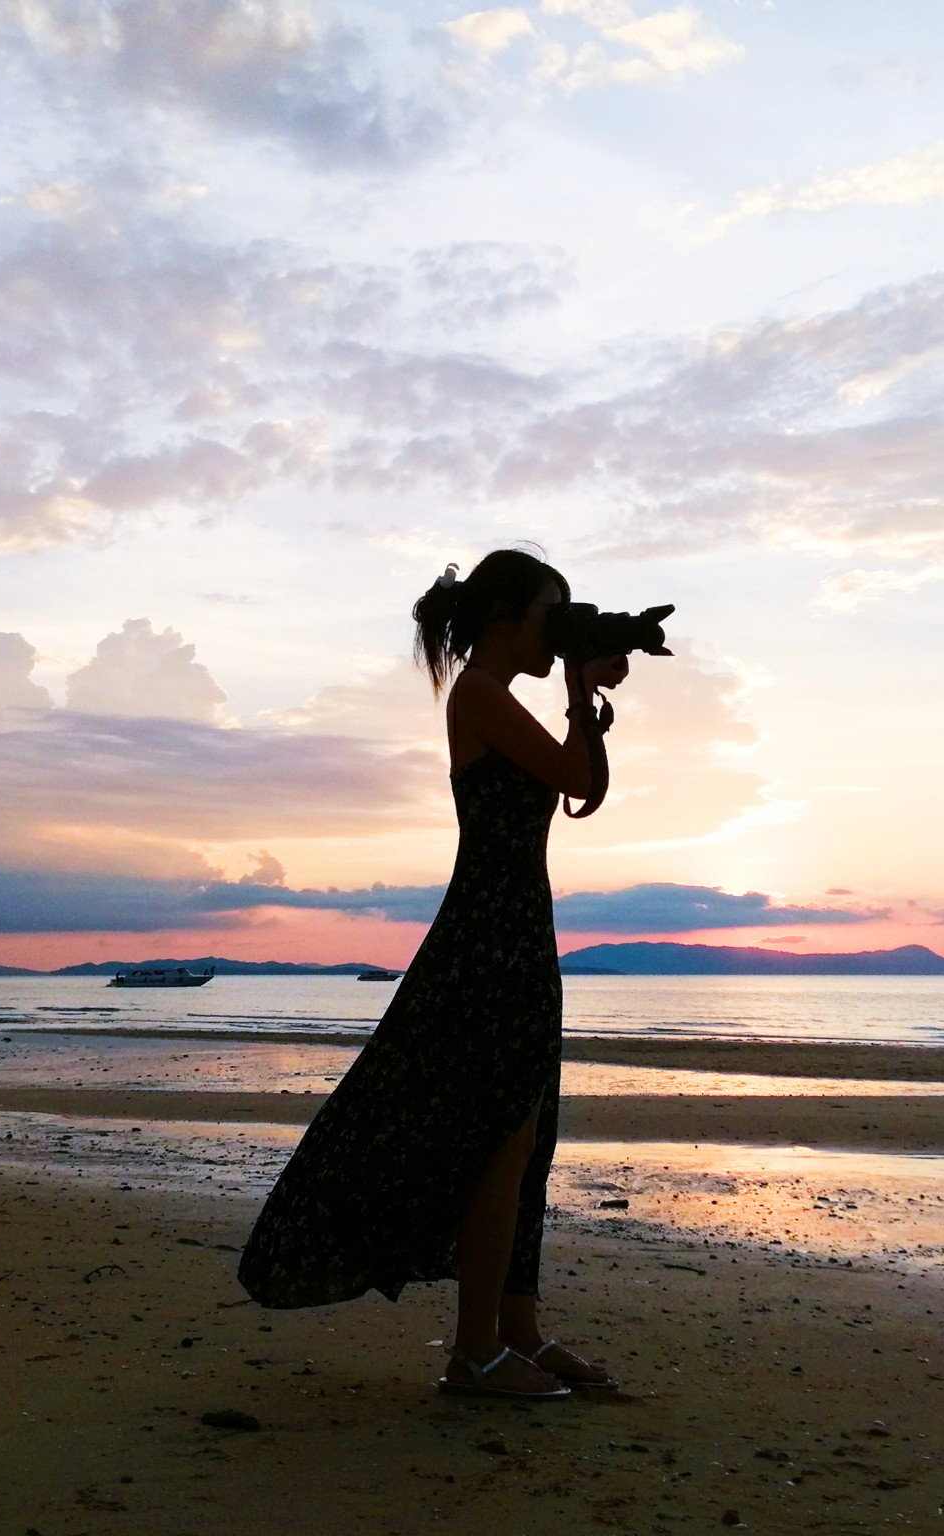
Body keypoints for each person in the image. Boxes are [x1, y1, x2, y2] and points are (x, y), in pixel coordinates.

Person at [237, 548, 629, 1400]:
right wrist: (578, 688)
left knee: (530, 1136)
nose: (555, 633)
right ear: (504, 619)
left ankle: (517, 1333)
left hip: (517, 928)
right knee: (501, 1135)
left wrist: (579, 694)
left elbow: (583, 790)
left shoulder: (504, 699)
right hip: (490, 934)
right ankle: (476, 1351)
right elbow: (575, 775)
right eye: (548, 616)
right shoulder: (482, 695)